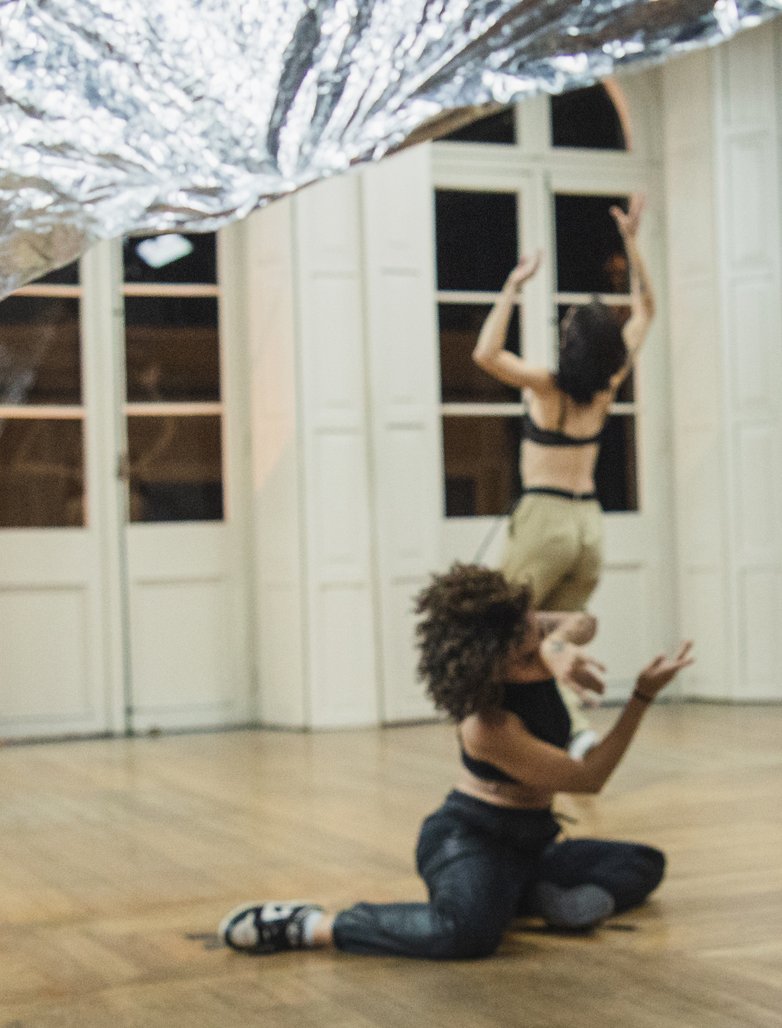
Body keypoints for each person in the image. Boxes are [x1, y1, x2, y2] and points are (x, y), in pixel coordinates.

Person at [218, 563, 693, 959]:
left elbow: (582, 620)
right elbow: (589, 779)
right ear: (492, 655)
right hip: (471, 838)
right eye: (524, 623)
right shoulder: (487, 726)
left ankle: (524, 895)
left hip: (534, 842)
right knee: (466, 934)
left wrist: (557, 646)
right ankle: (310, 925)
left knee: (643, 862)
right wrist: (641, 697)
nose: (535, 620)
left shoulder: (530, 644)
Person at [472, 195, 656, 751]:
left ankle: (499, 737)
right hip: (589, 528)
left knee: (501, 627)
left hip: (546, 518)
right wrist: (632, 243)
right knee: (557, 641)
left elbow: (486, 353)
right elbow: (647, 310)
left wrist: (513, 286)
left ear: (570, 344)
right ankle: (574, 735)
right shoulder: (608, 385)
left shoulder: (547, 387)